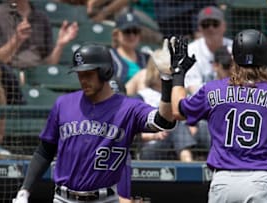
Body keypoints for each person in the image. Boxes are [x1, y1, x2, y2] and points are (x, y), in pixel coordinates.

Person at [12, 43, 176, 203]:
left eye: (88, 74)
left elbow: (164, 121)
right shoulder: (63, 104)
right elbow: (44, 151)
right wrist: (24, 191)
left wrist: (167, 81)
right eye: (80, 74)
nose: (83, 80)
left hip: (105, 198)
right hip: (63, 197)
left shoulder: (129, 107)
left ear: (105, 72)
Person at [168, 30, 267, 202]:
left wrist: (177, 73)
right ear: (266, 59)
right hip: (261, 181)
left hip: (223, 183)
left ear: (234, 58)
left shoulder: (213, 89)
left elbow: (177, 110)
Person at [0, 0, 78, 69]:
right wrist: (17, 39)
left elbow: (49, 64)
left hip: (38, 79)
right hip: (8, 78)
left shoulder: (41, 18)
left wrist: (60, 45)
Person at [185, 5, 233, 95]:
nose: (211, 28)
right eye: (205, 24)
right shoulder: (191, 51)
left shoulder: (234, 48)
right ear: (199, 28)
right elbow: (193, 89)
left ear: (224, 26)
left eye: (215, 23)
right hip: (200, 105)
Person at [110, 12, 149, 84]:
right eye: (127, 31)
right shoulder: (109, 57)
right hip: (121, 93)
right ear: (116, 34)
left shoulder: (146, 57)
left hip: (143, 93)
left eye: (135, 31)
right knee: (143, 74)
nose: (132, 36)